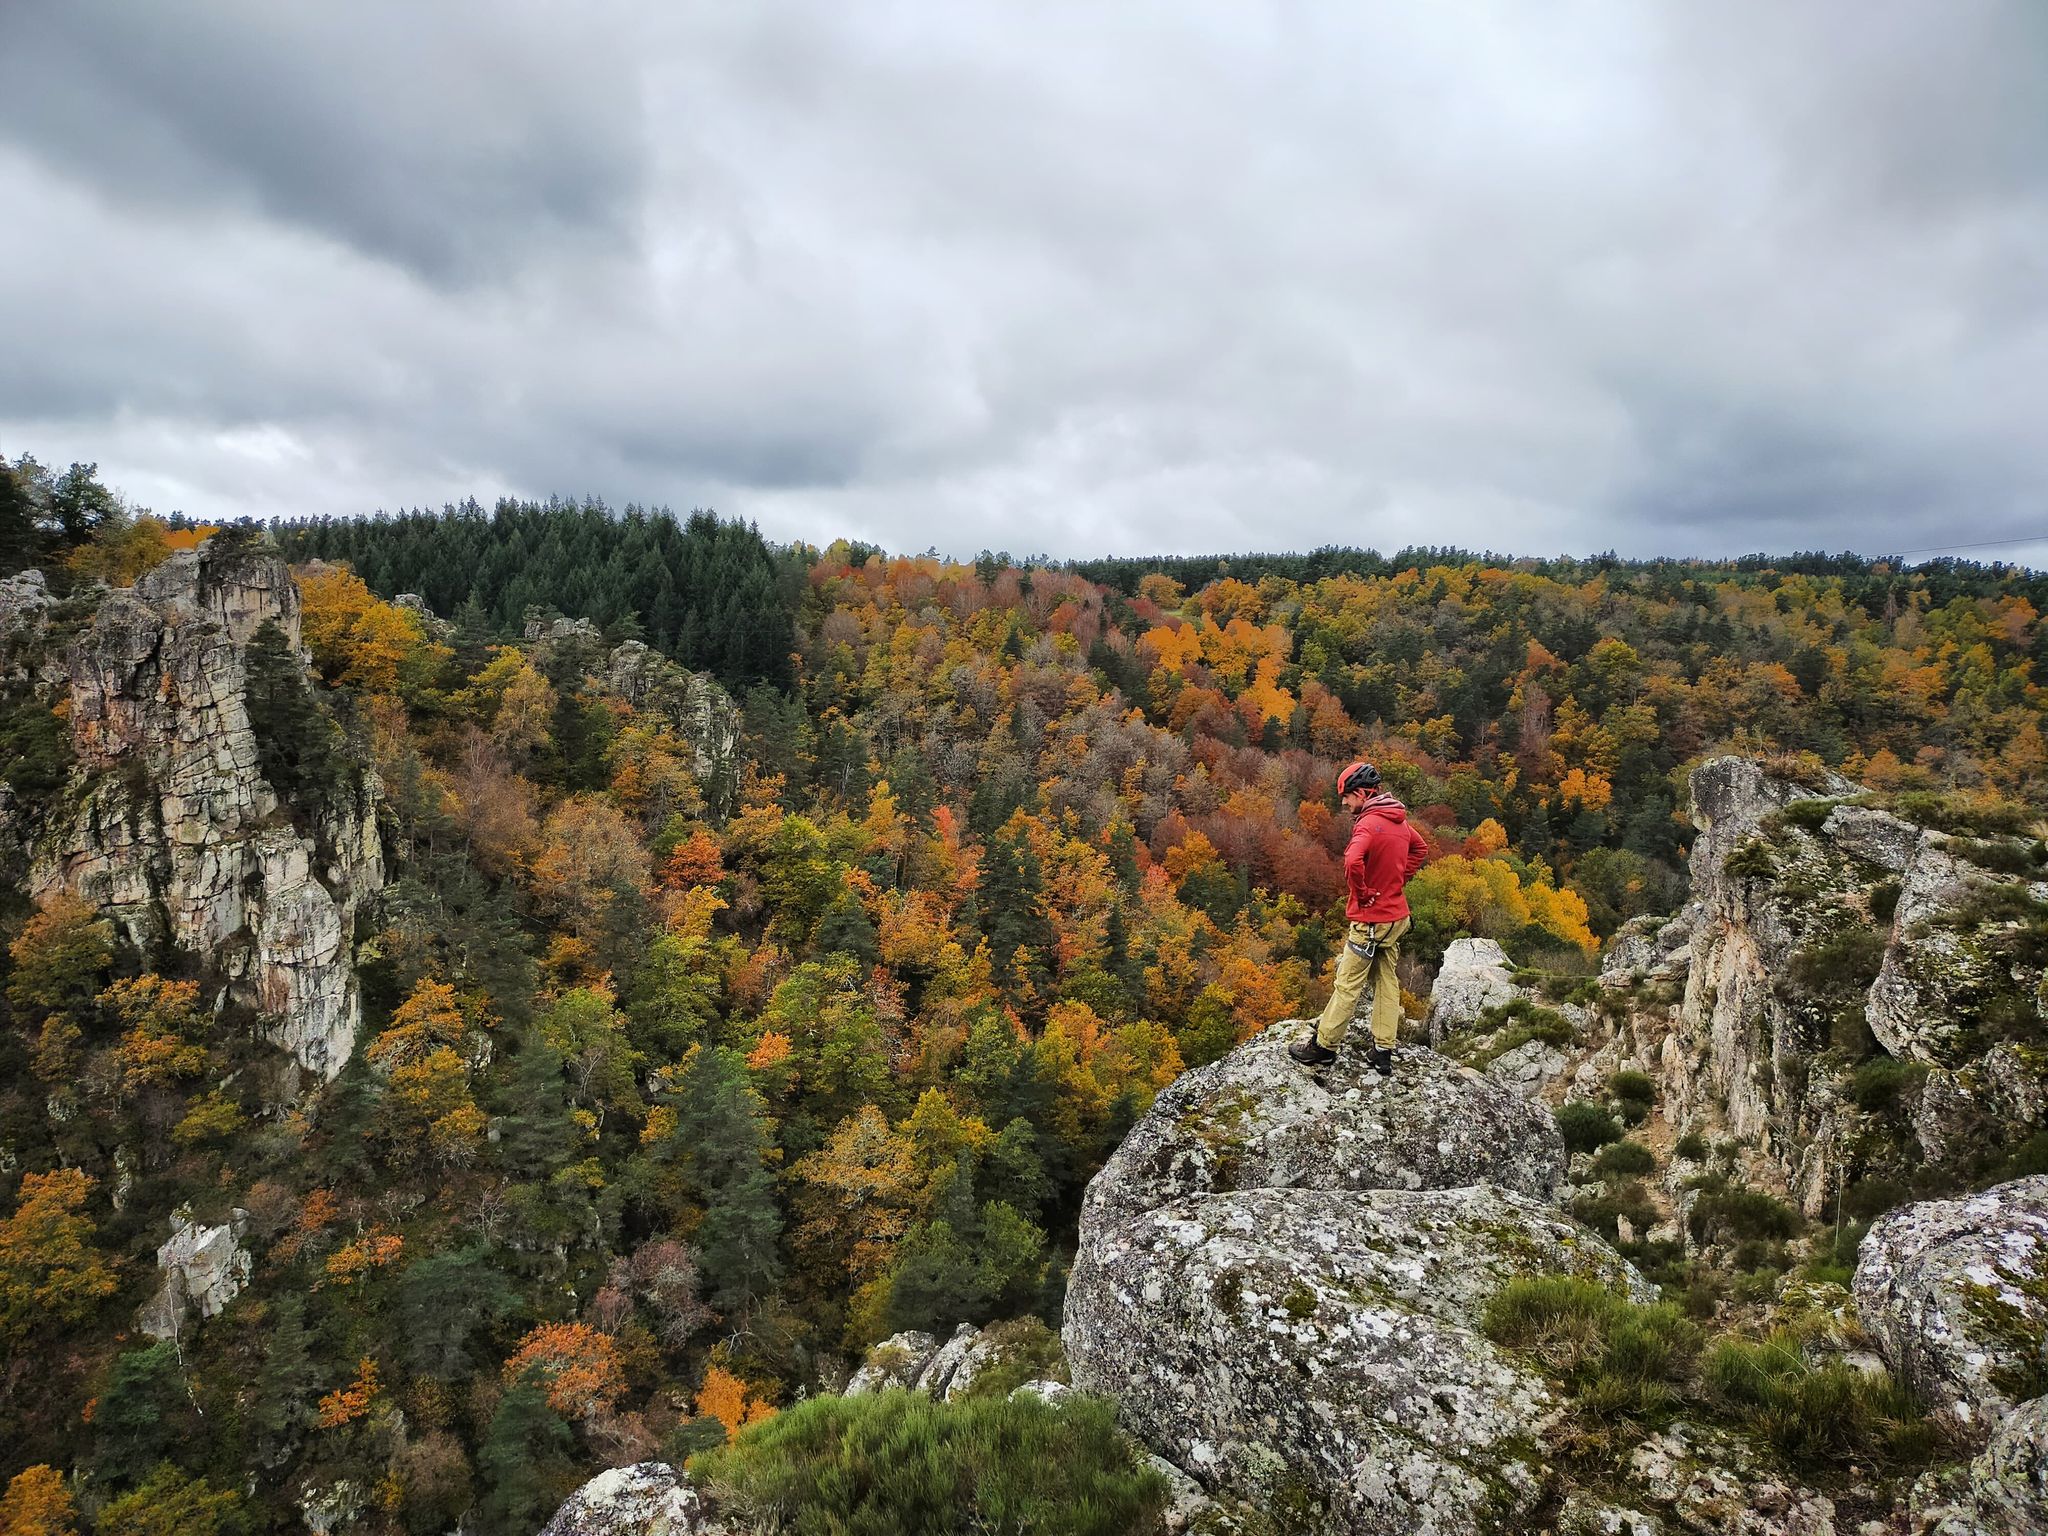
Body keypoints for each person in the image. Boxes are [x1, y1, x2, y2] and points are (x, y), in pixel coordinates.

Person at [1290, 761, 1428, 1075]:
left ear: (1363, 793)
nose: (1343, 802)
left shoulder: (1367, 824)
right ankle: (1383, 1051)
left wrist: (1363, 892)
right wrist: (1397, 881)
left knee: (1347, 984)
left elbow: (1352, 860)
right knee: (1387, 981)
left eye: (1347, 795)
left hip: (1370, 921)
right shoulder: (1397, 819)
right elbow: (1419, 849)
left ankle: (1324, 1047)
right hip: (1395, 919)